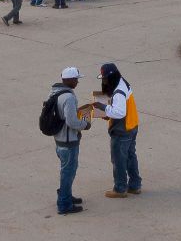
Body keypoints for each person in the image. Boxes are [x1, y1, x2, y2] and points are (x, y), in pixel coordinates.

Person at [48, 66, 90, 215]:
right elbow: (71, 121)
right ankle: (64, 204)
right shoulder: (69, 97)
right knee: (68, 172)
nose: (78, 82)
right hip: (68, 141)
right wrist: (85, 124)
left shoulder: (55, 92)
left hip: (59, 140)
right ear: (70, 80)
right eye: (76, 79)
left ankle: (66, 195)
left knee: (66, 171)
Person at [98, 62, 142, 197]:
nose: (104, 81)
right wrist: (109, 114)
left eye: (104, 78)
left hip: (122, 131)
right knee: (130, 156)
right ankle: (135, 185)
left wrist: (103, 107)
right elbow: (119, 110)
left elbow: (120, 113)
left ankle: (120, 189)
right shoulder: (122, 82)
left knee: (119, 160)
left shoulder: (118, 92)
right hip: (131, 125)